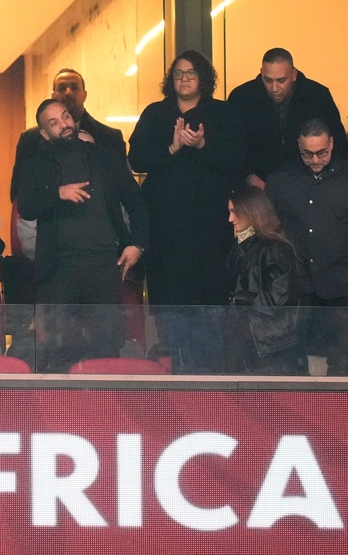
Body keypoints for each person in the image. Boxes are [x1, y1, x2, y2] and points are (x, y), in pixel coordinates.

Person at [128, 50, 246, 373]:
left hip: (211, 232)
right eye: (178, 73)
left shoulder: (222, 113)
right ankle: (177, 382)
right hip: (165, 232)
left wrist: (203, 146)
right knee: (171, 316)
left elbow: (238, 159)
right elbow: (136, 159)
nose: (184, 79)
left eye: (191, 73)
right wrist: (172, 147)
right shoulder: (155, 114)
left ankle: (209, 388)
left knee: (210, 318)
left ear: (203, 78)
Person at [17, 99, 149, 371]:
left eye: (65, 116)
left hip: (104, 264)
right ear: (44, 133)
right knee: (57, 348)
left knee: (107, 346)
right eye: (53, 122)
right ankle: (59, 400)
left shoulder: (105, 158)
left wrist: (137, 244)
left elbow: (137, 203)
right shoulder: (35, 166)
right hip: (58, 269)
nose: (64, 124)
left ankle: (104, 399)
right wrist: (58, 193)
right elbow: (27, 207)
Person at [266, 118, 348, 375]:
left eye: (322, 152)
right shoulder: (280, 181)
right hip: (297, 284)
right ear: (298, 146)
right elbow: (268, 228)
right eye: (307, 154)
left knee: (343, 360)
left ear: (332, 144)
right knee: (292, 360)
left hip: (341, 283)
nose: (314, 159)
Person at [228, 48, 346, 188]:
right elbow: (230, 146)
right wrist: (249, 177)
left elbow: (338, 144)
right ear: (261, 73)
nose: (274, 88)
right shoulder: (242, 98)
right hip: (254, 188)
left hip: (310, 184)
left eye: (281, 80)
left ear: (293, 74)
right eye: (267, 80)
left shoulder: (317, 96)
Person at [10, 68, 126, 201]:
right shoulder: (30, 139)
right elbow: (19, 192)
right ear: (53, 95)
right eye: (62, 88)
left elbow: (122, 188)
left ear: (84, 95)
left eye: (75, 88)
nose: (68, 92)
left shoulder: (110, 137)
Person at [225, 186, 304, 375]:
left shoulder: (275, 249)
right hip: (246, 339)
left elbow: (279, 298)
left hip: (269, 345)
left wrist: (240, 299)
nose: (230, 219)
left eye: (234, 212)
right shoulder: (240, 247)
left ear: (251, 212)